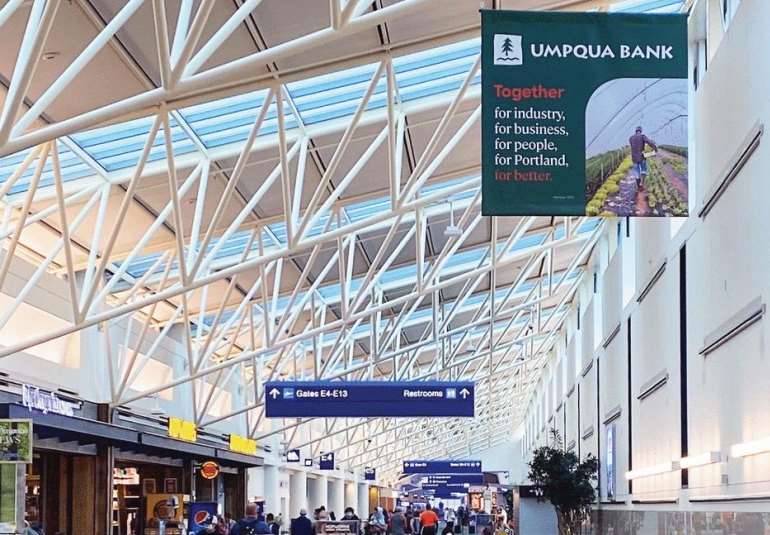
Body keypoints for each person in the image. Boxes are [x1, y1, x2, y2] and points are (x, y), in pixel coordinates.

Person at [628, 126, 658, 190]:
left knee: (637, 172)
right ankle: (642, 183)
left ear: (636, 131)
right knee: (644, 170)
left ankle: (639, 186)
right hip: (641, 157)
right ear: (640, 131)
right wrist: (655, 148)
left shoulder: (631, 138)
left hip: (634, 158)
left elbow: (633, 146)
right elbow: (649, 142)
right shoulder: (642, 136)